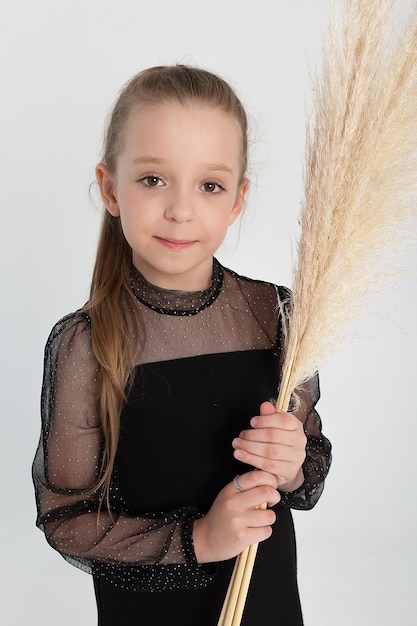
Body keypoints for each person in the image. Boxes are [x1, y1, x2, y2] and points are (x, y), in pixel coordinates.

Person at [32, 65, 332, 626]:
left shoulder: (280, 315)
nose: (181, 209)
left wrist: (292, 464)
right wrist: (197, 538)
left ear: (238, 200)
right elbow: (67, 518)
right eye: (152, 180)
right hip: (148, 609)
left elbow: (308, 473)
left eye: (210, 185)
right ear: (109, 188)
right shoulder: (86, 343)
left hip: (263, 601)